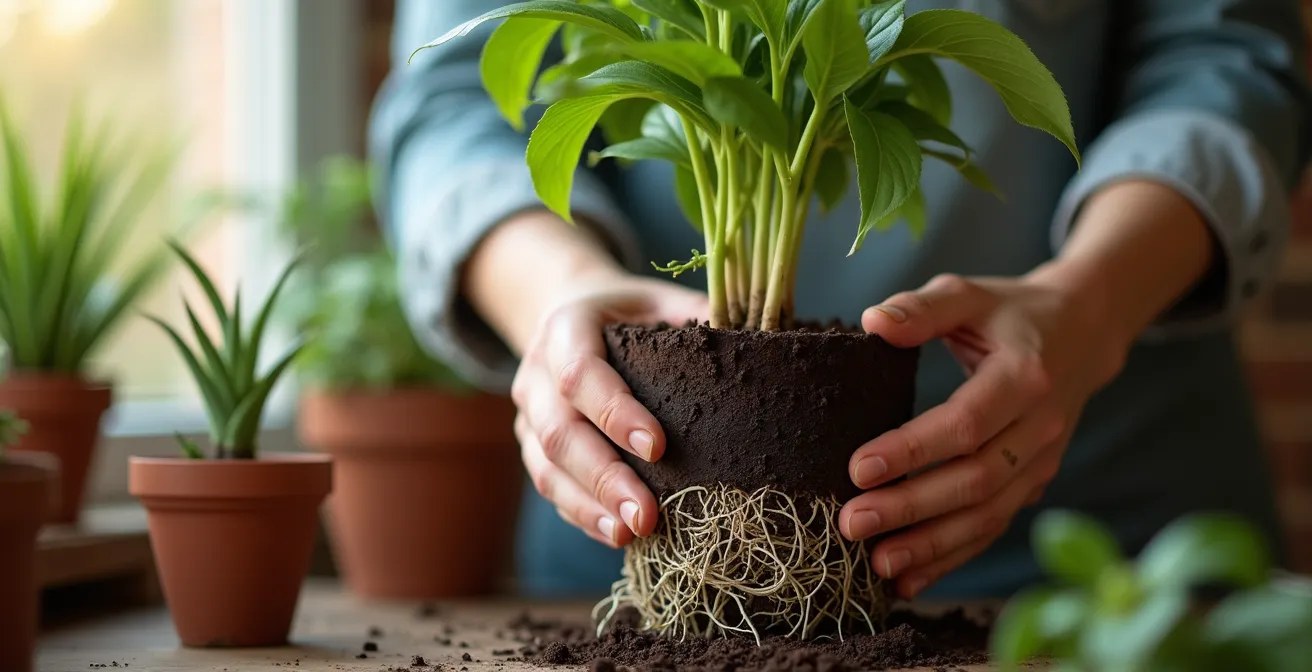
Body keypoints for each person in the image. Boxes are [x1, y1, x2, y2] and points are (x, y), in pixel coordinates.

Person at [368, 0, 1312, 600]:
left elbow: (1223, 61)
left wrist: (1091, 301)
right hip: (652, 550)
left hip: (1111, 545)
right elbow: (454, 105)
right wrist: (561, 292)